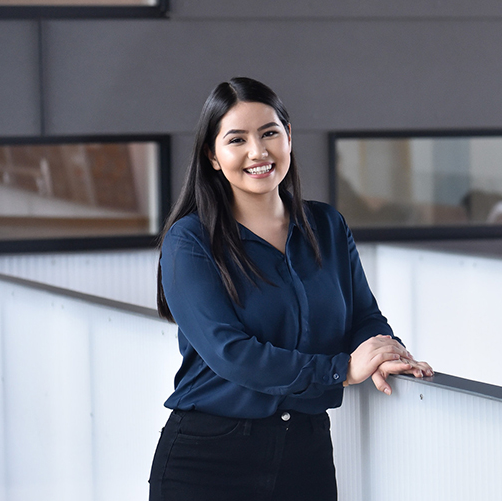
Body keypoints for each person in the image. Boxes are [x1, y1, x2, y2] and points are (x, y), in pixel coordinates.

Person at [148, 77, 432, 501]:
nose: (257, 152)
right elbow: (230, 352)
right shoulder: (190, 241)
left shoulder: (327, 226)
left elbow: (363, 317)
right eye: (236, 139)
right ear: (212, 155)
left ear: (289, 137)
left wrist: (388, 354)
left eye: (269, 133)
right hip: (208, 458)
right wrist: (340, 370)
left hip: (306, 452)